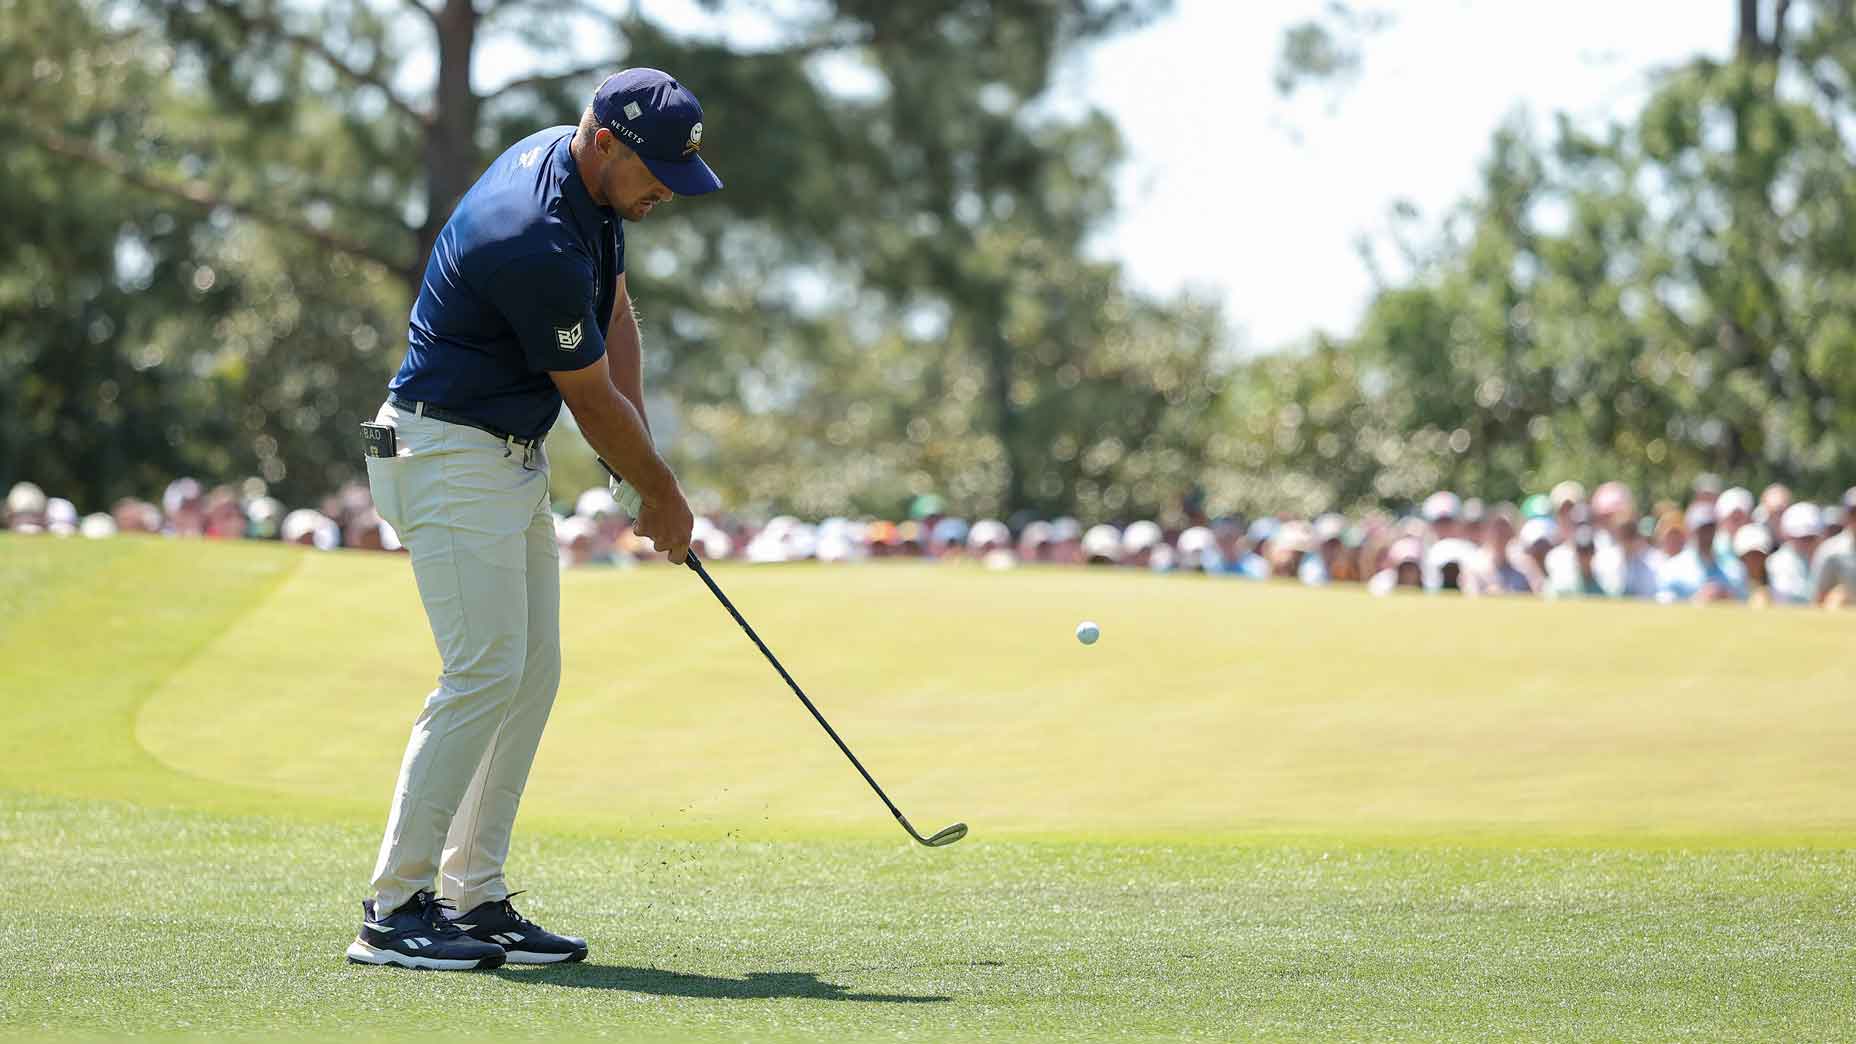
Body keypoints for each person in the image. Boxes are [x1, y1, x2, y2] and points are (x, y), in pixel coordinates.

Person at [350, 68, 719, 971]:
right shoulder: (534, 233)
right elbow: (589, 404)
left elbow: (613, 309)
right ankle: (394, 909)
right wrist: (659, 491)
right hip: (445, 452)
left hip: (499, 454)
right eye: (658, 171)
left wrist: (638, 466)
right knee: (482, 670)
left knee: (531, 670)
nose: (666, 189)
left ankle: (474, 896)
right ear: (606, 142)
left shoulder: (589, 178)